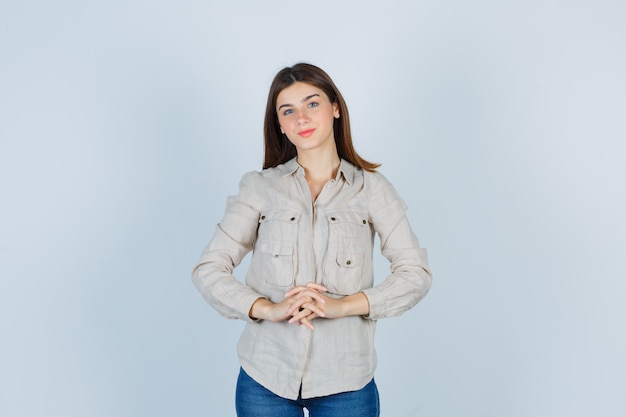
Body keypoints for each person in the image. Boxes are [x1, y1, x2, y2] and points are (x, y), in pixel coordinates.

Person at [192, 63, 432, 417]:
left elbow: (415, 273)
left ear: (335, 108)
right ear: (280, 125)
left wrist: (341, 306)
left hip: (347, 380)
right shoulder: (259, 188)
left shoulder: (372, 190)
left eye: (312, 104)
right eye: (287, 110)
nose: (301, 118)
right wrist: (267, 309)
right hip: (266, 377)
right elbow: (209, 268)